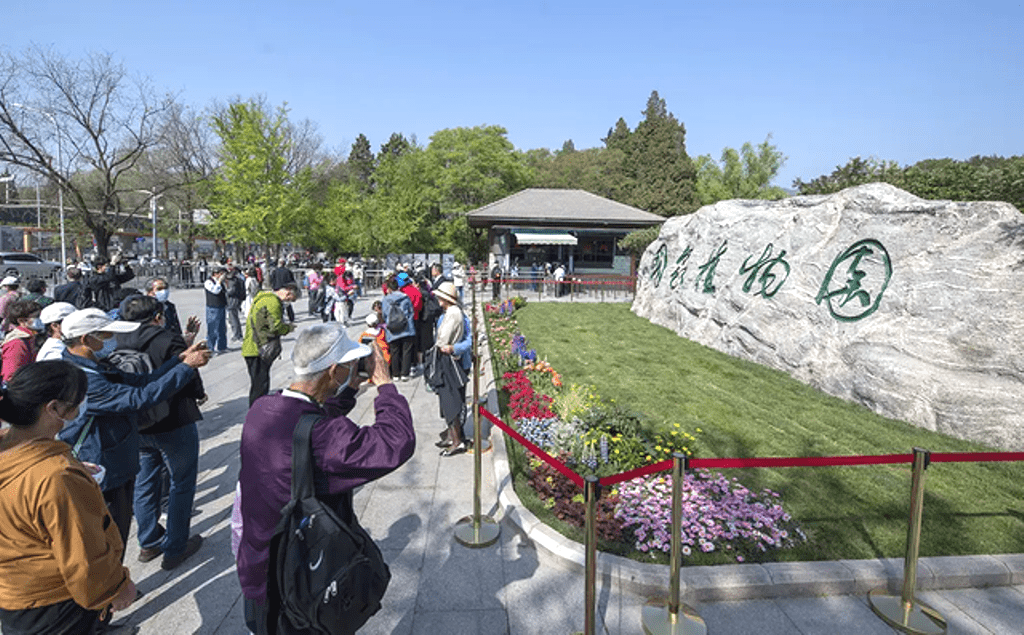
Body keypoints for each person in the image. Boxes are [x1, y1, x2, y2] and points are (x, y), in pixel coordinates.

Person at [237, 323, 414, 634]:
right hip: (300, 583)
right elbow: (395, 442)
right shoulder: (323, 438)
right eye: (349, 365)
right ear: (334, 372)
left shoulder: (263, 408)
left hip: (258, 566)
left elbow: (305, 418)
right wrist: (385, 385)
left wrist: (349, 390)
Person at [0, 361, 138, 634]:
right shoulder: (56, 477)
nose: (79, 408)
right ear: (53, 408)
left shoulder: (11, 446)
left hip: (15, 595)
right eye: (76, 403)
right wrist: (116, 588)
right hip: (58, 605)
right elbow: (83, 557)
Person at [57, 308, 210, 553]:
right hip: (103, 461)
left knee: (143, 486)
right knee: (112, 537)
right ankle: (118, 586)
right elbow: (139, 397)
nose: (111, 342)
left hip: (121, 449)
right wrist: (186, 369)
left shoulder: (92, 364)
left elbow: (140, 381)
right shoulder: (84, 378)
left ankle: (149, 542)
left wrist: (179, 360)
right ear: (86, 339)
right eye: (106, 336)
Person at [117, 295, 207, 571]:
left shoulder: (116, 340)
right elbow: (189, 372)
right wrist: (199, 394)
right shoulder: (168, 339)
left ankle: (148, 541)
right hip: (173, 420)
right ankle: (175, 546)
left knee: (144, 481)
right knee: (181, 482)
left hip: (137, 422)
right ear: (157, 315)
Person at [430, 282, 471, 456]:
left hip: (456, 363)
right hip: (448, 361)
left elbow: (467, 340)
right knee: (448, 401)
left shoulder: (455, 314)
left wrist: (453, 348)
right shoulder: (448, 314)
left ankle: (457, 439)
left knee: (453, 401)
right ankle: (452, 436)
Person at [242, 282, 298, 406]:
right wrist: (288, 328)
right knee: (260, 385)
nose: (287, 301)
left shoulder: (263, 298)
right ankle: (257, 414)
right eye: (289, 298)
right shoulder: (273, 302)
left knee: (258, 383)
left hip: (252, 346)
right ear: (288, 291)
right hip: (259, 348)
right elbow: (275, 326)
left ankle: (257, 411)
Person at [146, 276, 200, 345]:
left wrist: (186, 336)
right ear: (149, 292)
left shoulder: (170, 306)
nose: (163, 291)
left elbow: (176, 327)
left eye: (165, 288)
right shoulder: (144, 308)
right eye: (159, 289)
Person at [381, 275, 415, 381]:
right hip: (407, 328)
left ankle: (395, 374)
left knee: (394, 351)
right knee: (406, 351)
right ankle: (405, 373)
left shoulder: (386, 300)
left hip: (392, 329)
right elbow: (411, 312)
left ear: (389, 289)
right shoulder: (405, 297)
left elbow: (384, 314)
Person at [1, 299, 43, 382]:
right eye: (36, 317)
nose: (41, 319)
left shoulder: (32, 337)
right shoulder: (17, 344)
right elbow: (11, 376)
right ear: (21, 321)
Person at [204, 264, 228, 354]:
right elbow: (215, 291)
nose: (222, 276)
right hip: (213, 308)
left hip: (221, 306)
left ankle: (222, 346)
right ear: (215, 274)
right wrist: (219, 282)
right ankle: (210, 348)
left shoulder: (221, 283)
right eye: (220, 273)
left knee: (222, 328)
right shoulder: (208, 282)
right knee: (212, 328)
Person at [269, 260, 297, 324]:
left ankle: (280, 317)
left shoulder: (275, 271)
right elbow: (292, 280)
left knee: (279, 303)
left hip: (277, 289)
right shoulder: (288, 271)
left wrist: (273, 287)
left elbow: (272, 280)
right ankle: (291, 317)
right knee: (288, 304)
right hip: (286, 288)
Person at [224, 263, 246, 342]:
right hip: (238, 298)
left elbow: (231, 290)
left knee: (233, 317)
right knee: (233, 317)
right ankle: (237, 334)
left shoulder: (232, 278)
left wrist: (225, 292)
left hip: (233, 299)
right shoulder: (239, 277)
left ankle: (237, 334)